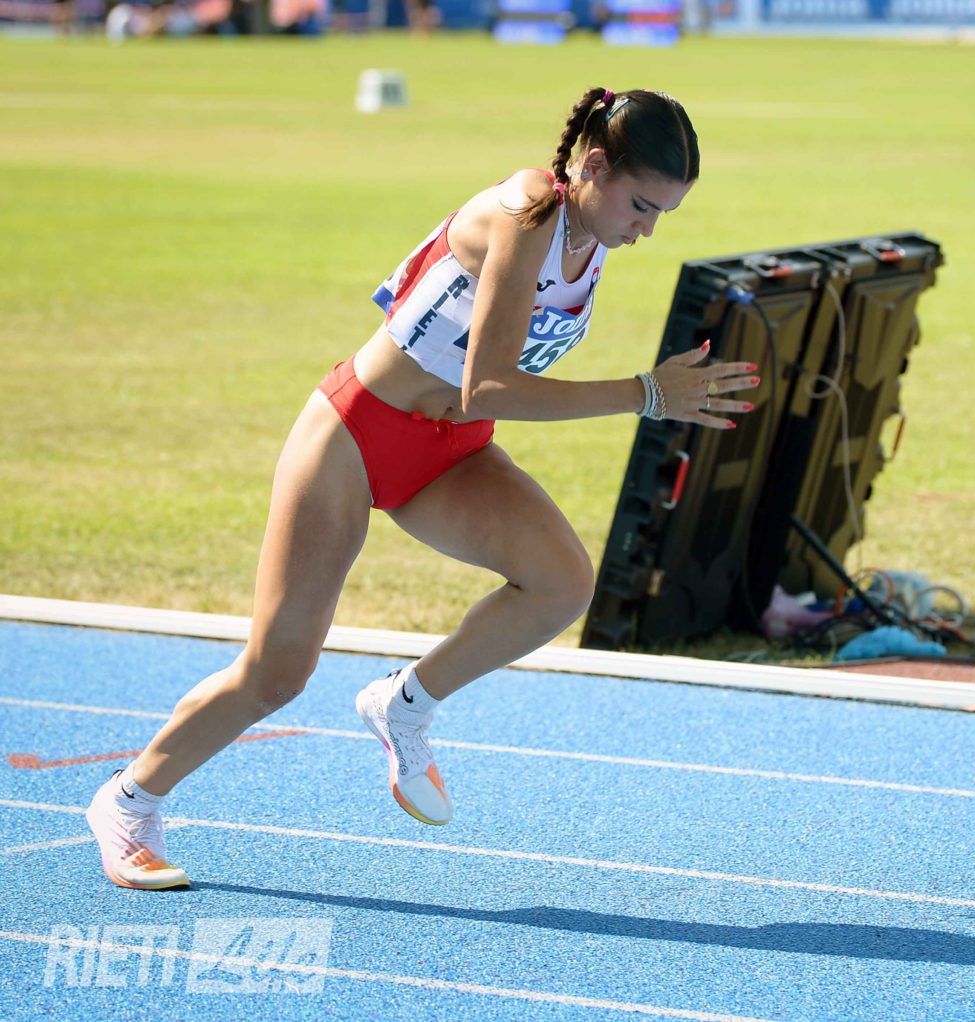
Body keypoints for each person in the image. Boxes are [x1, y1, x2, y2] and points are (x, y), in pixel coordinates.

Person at [84, 87, 759, 890]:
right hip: (353, 436)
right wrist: (645, 393)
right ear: (593, 165)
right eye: (641, 206)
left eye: (664, 214)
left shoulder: (592, 230)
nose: (646, 230)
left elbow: (475, 399)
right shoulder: (527, 214)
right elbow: (490, 388)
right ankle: (128, 801)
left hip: (449, 452)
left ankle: (403, 704)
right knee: (277, 672)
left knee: (560, 583)